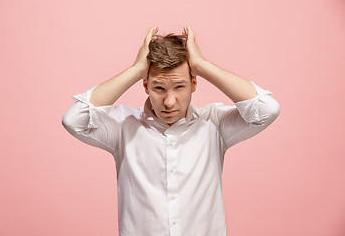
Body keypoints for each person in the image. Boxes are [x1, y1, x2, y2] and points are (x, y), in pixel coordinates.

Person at [62, 25, 280, 236]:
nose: (169, 101)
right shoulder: (123, 126)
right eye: (158, 88)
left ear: (194, 83)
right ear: (145, 85)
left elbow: (267, 110)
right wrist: (136, 70)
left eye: (179, 86)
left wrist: (202, 65)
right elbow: (74, 120)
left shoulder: (215, 123)